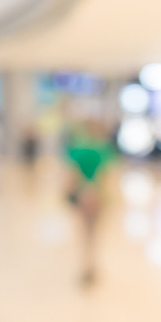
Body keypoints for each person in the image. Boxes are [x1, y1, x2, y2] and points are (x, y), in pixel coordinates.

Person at [64, 121, 117, 287]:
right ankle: (92, 265)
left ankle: (86, 264)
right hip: (99, 198)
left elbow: (71, 177)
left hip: (81, 198)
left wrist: (74, 194)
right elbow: (108, 178)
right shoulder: (105, 152)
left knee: (84, 232)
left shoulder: (77, 151)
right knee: (94, 233)